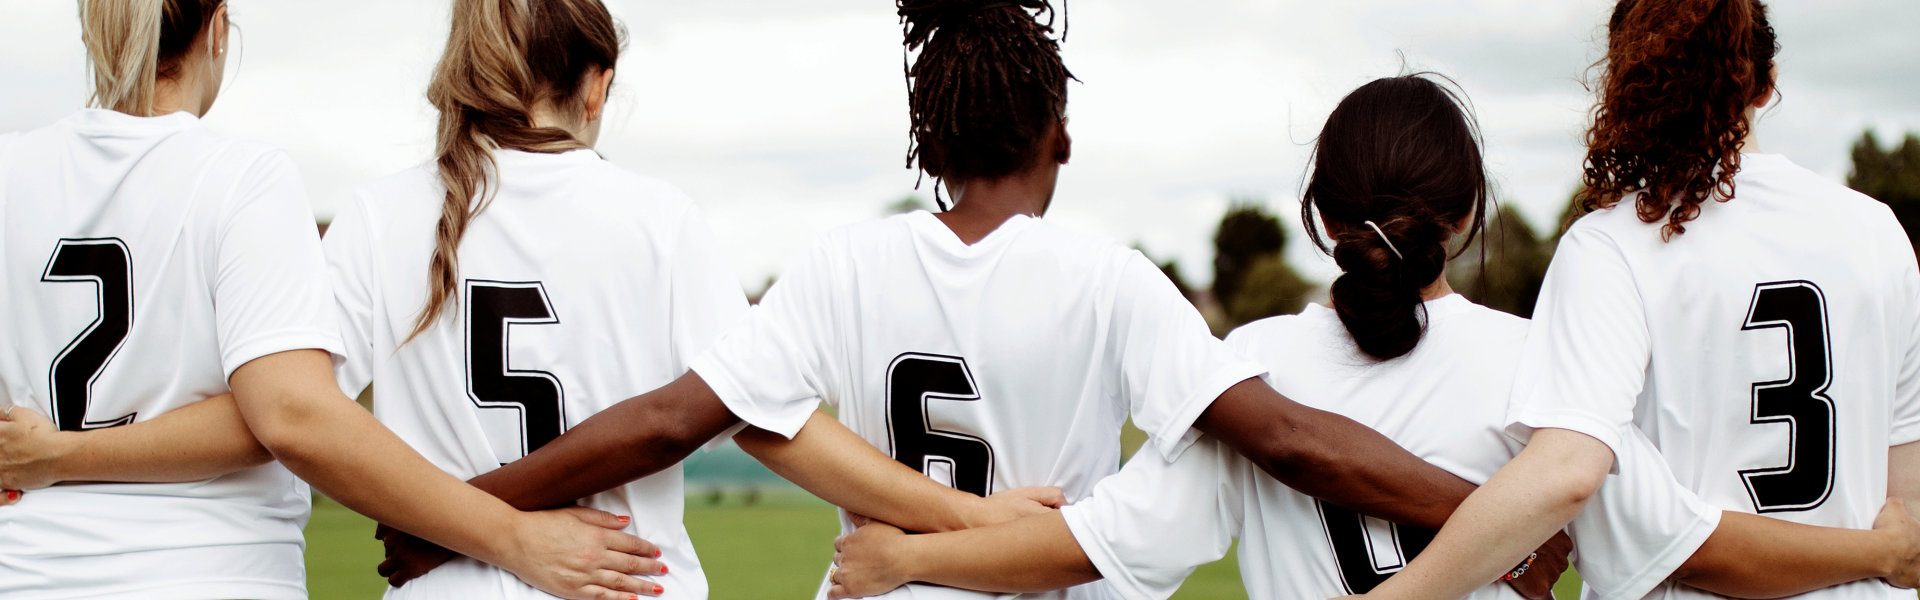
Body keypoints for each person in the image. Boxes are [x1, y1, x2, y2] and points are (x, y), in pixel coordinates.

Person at [371, 2, 1577, 600]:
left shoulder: (844, 265)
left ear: (926, 140)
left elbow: (670, 420)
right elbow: (1296, 442)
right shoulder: (1110, 279)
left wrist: (452, 517)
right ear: (1062, 134)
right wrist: (1502, 516)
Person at [818, 74, 1920, 600]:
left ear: (1318, 220)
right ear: (1473, 214)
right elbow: (1695, 547)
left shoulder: (1249, 367)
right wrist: (1879, 551)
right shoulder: (1548, 371)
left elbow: (1090, 547)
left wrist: (909, 557)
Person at [0, 2, 657, 599]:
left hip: (27, 570)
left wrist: (53, 453)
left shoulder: (11, 170)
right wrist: (511, 536)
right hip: (208, 571)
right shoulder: (243, 179)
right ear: (220, 30)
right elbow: (287, 414)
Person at [1342, 1, 1920, 599]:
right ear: (1765, 84)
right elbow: (1905, 508)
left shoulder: (1610, 247)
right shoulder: (1876, 231)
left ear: (1628, 80)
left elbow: (1567, 474)